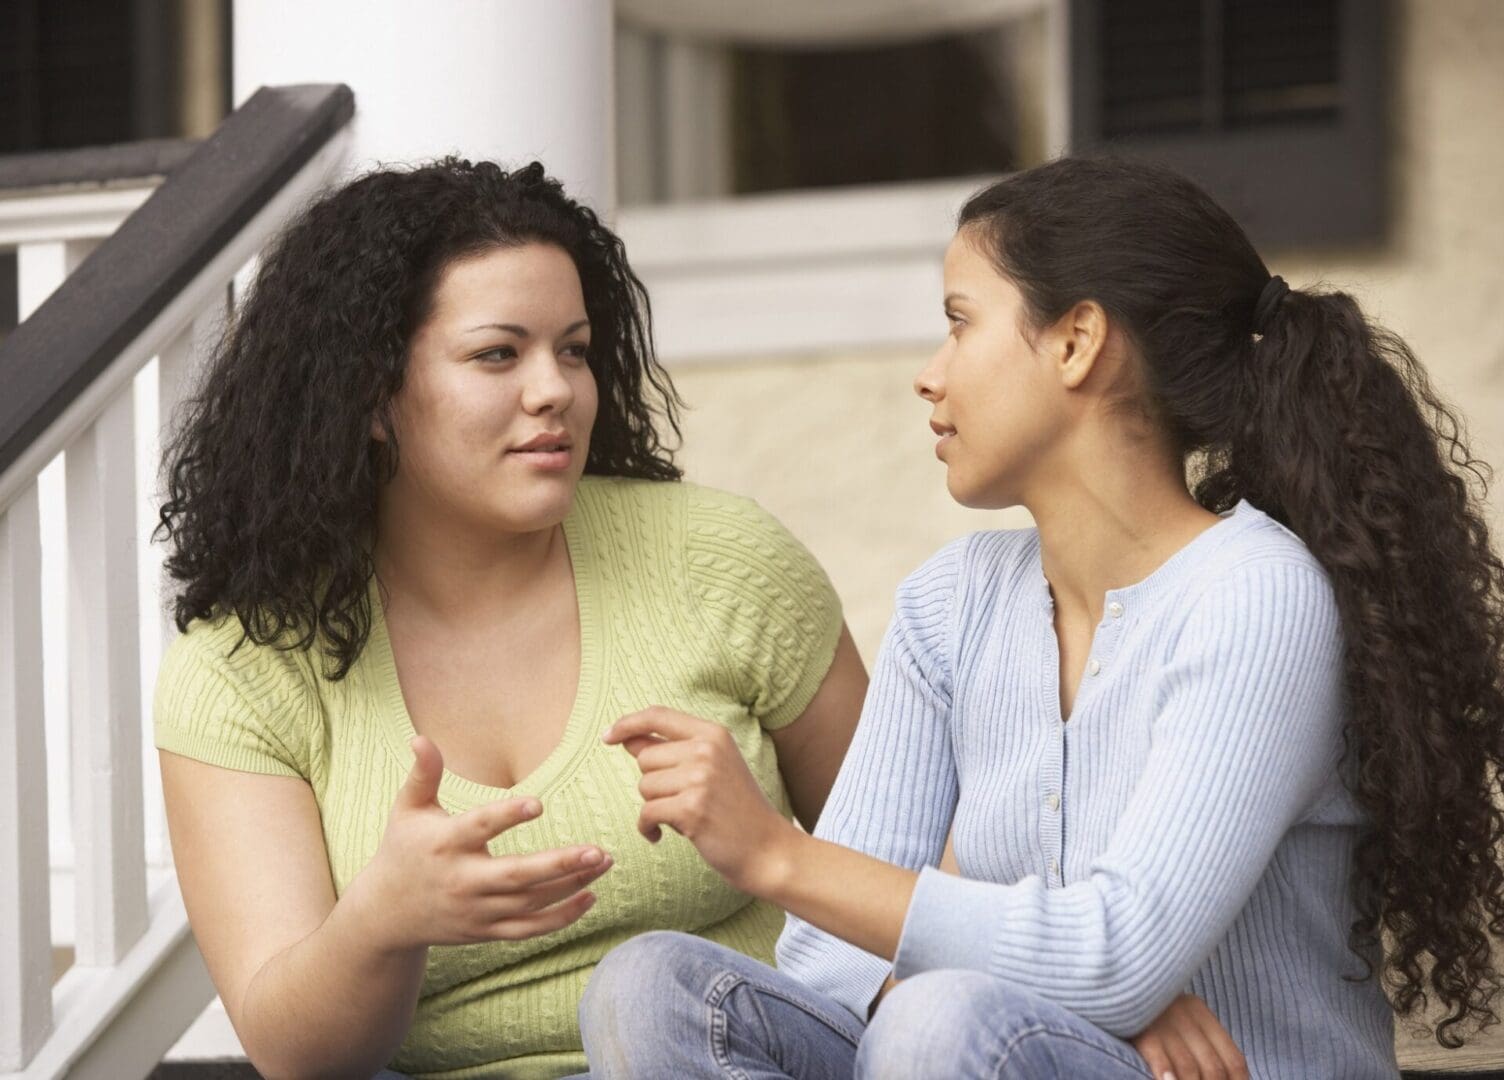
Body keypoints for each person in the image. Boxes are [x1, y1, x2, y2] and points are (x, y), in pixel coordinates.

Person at [578, 156, 1504, 1079]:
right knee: (649, 987)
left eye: (958, 324)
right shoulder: (953, 604)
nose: (929, 377)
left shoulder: (1254, 594)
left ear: (1076, 342)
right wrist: (1065, 982)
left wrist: (774, 855)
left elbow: (1118, 956)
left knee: (941, 1025)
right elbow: (826, 956)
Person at [151, 158, 870, 1079]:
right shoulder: (247, 668)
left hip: (735, 1058)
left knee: (650, 992)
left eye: (573, 349)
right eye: (500, 354)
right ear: (370, 394)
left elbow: (898, 881)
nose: (555, 390)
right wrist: (385, 919)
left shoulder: (720, 561)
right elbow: (296, 1054)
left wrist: (766, 848)